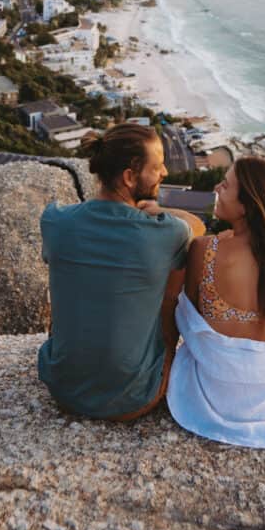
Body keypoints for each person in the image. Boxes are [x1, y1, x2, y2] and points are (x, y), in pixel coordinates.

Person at [38, 122, 204, 420]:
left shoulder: (55, 222)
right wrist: (157, 213)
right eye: (158, 166)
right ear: (130, 176)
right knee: (169, 300)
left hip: (62, 388)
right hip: (135, 397)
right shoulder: (167, 233)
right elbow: (198, 227)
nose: (165, 173)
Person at [167, 156, 265, 447]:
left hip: (212, 394)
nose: (216, 187)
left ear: (246, 206)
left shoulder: (204, 251)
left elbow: (187, 317)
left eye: (225, 186)